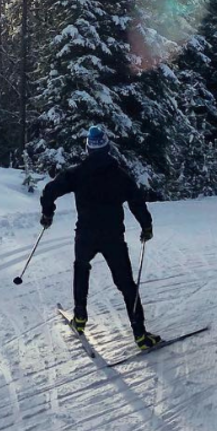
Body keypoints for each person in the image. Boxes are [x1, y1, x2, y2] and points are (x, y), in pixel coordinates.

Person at [39, 125, 162, 350]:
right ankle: (140, 335)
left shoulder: (77, 173)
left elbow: (49, 191)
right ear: (107, 147)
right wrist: (146, 227)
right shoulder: (120, 175)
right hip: (113, 236)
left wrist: (48, 213)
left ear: (88, 149)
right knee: (126, 284)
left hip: (85, 234)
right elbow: (136, 202)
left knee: (81, 267)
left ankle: (80, 318)